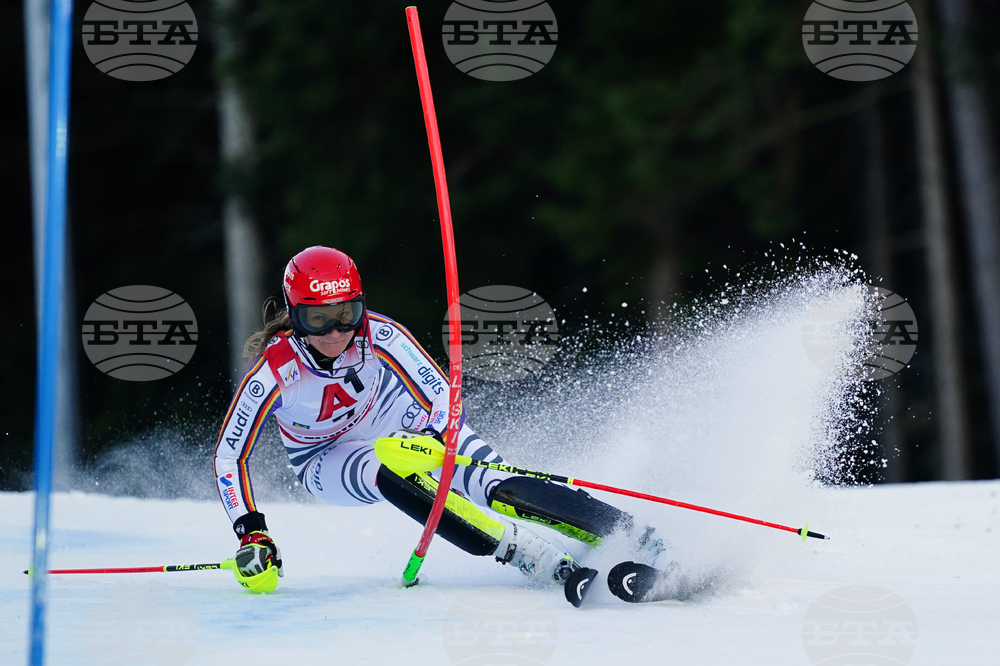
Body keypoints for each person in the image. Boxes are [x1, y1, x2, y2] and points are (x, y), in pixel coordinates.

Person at [213, 246, 674, 595]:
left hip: (396, 415)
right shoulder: (273, 372)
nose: (335, 332)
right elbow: (230, 455)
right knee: (387, 469)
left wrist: (442, 438)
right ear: (295, 317)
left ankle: (633, 534)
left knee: (496, 481)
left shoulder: (380, 334)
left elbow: (440, 395)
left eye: (346, 314)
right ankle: (527, 554)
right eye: (318, 320)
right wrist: (251, 529)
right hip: (326, 456)